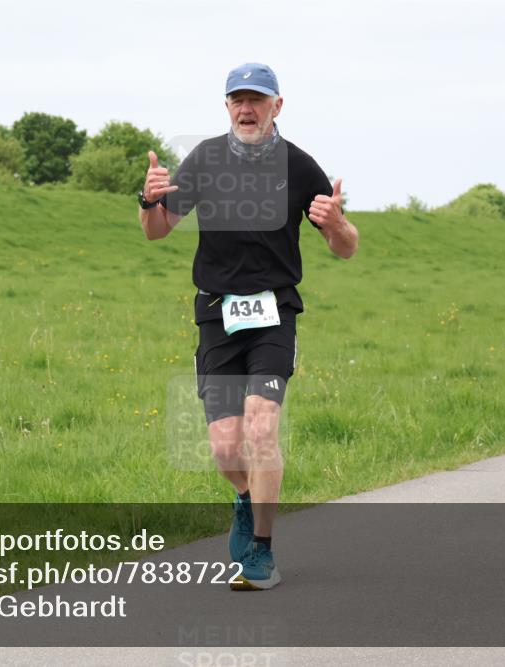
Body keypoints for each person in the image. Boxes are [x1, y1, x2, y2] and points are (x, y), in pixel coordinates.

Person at [138, 63, 358, 589]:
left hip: (274, 312)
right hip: (217, 312)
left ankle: (260, 550)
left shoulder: (300, 166)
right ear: (227, 105)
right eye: (237, 98)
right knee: (224, 446)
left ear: (277, 106)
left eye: (257, 99)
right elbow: (157, 231)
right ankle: (243, 499)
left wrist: (337, 224)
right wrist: (149, 200)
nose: (246, 108)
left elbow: (345, 248)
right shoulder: (205, 159)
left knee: (261, 427)